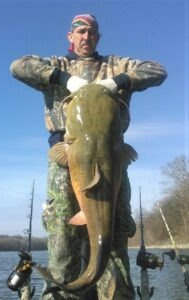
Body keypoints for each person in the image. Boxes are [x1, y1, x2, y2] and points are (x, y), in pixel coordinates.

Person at [10, 14, 167, 300]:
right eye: (80, 32)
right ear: (70, 37)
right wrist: (62, 79)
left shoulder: (116, 65)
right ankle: (60, 291)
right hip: (65, 156)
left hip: (112, 155)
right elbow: (18, 66)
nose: (86, 37)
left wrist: (119, 81)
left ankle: (117, 293)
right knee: (61, 234)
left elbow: (157, 71)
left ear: (98, 37)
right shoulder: (57, 64)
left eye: (92, 32)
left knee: (117, 229)